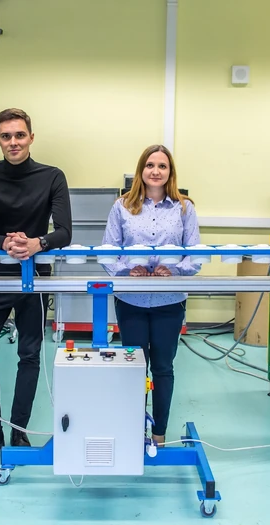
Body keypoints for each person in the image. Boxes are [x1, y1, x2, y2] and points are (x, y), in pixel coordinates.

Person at [0, 108, 72, 465]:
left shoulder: (52, 176)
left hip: (35, 277)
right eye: (6, 136)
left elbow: (64, 231)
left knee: (29, 354)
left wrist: (37, 244)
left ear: (31, 137)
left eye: (20, 135)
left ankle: (18, 430)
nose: (13, 142)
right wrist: (7, 243)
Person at [101, 144, 201, 446]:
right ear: (141, 170)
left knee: (162, 368)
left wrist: (176, 270)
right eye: (150, 165)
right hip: (131, 301)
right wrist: (125, 270)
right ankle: (134, 432)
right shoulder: (122, 207)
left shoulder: (184, 208)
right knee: (134, 367)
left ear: (170, 172)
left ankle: (158, 434)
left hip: (169, 302)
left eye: (162, 166)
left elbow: (195, 256)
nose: (155, 171)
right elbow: (108, 252)